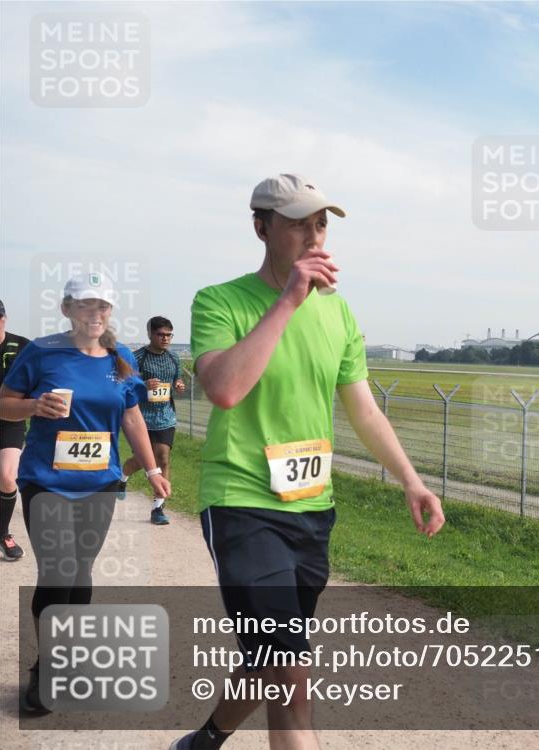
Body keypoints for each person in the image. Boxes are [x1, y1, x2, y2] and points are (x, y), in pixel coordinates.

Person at [170, 173, 445, 750]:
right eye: (298, 223)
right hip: (243, 503)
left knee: (275, 657)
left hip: (311, 508)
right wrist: (289, 299)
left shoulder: (339, 314)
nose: (314, 235)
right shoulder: (219, 300)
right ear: (261, 228)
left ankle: (205, 740)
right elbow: (223, 388)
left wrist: (411, 481)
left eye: (320, 223)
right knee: (291, 670)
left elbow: (365, 412)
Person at [0, 272, 171, 714]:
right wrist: (34, 406)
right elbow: (3, 402)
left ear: (110, 312)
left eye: (102, 306)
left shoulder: (120, 358)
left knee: (79, 574)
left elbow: (132, 417)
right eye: (84, 304)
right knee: (58, 570)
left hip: (99, 484)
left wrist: (151, 468)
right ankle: (48, 669)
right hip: (47, 481)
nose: (94, 313)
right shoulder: (41, 353)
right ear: (67, 309)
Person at [119, 315, 186, 524]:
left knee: (163, 458)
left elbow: (177, 380)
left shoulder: (174, 358)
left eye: (169, 335)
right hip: (140, 417)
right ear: (150, 334)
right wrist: (143, 385)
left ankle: (158, 508)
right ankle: (122, 478)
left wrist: (179, 385)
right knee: (143, 460)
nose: (165, 338)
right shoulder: (137, 357)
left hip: (165, 416)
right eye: (161, 334)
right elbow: (123, 385)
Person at [0, 300, 30, 561]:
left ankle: (2, 533)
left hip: (9, 420)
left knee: (8, 477)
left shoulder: (22, 346)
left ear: (4, 318)